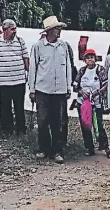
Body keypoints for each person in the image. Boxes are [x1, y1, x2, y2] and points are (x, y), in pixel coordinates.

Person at [28, 16, 73, 164]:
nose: (59, 31)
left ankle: (57, 150)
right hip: (42, 89)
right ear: (49, 31)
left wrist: (68, 86)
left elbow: (67, 67)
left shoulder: (63, 46)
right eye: (56, 28)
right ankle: (43, 149)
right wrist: (32, 89)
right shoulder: (38, 46)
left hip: (59, 90)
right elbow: (33, 68)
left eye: (59, 28)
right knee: (42, 121)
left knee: (57, 122)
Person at [73, 49, 110, 158]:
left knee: (99, 126)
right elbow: (75, 85)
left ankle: (106, 148)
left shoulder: (100, 69)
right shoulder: (82, 71)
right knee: (85, 126)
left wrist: (98, 92)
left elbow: (105, 84)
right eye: (88, 58)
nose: (90, 59)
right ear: (85, 60)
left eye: (92, 57)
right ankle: (89, 148)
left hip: (96, 103)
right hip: (83, 103)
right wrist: (82, 92)